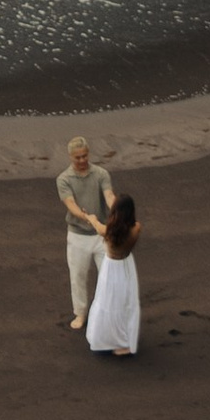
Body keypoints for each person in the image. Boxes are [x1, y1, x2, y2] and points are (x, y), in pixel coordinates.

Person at [57, 138, 116, 330]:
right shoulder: (64, 179)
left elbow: (109, 195)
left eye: (84, 156)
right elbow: (70, 204)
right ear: (70, 157)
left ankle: (106, 312)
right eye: (78, 157)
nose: (82, 160)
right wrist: (86, 218)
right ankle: (80, 313)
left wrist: (117, 209)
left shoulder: (101, 173)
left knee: (109, 276)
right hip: (77, 236)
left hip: (102, 236)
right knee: (78, 277)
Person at [85, 194, 141, 359]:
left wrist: (90, 217)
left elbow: (96, 224)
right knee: (126, 302)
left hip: (111, 269)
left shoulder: (107, 231)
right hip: (127, 266)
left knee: (109, 302)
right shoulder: (136, 228)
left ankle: (111, 340)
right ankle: (124, 341)